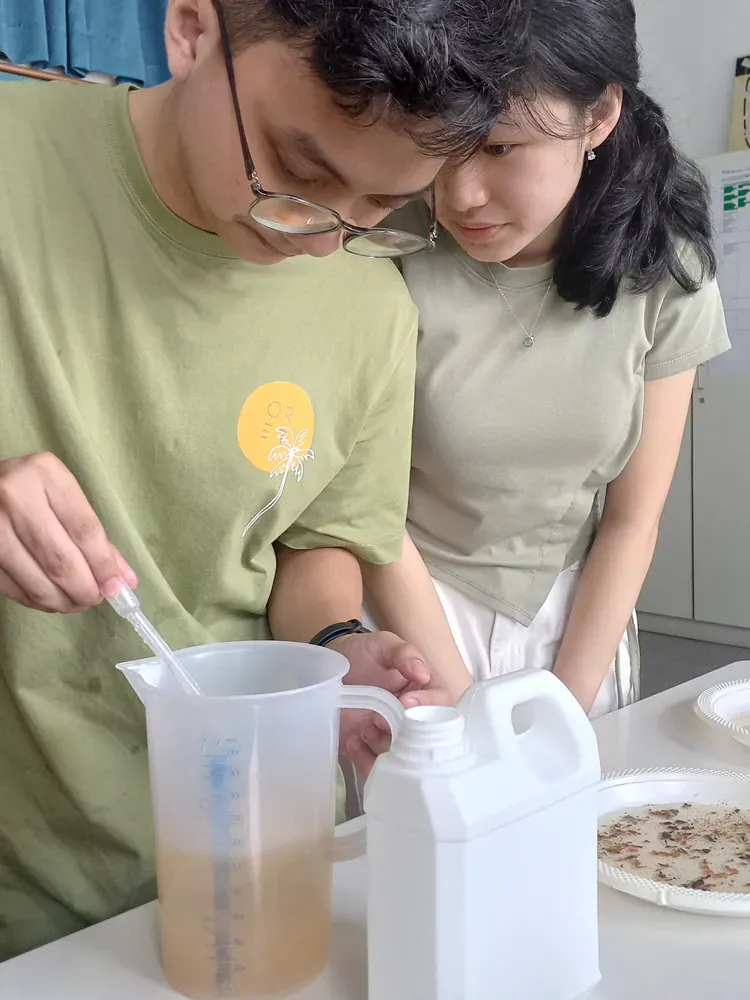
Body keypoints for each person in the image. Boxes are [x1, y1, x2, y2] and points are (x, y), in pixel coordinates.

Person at [0, 0, 520, 959]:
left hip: (258, 861)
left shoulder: (370, 308)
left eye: (382, 209)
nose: (322, 239)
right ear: (193, 27)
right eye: (299, 170)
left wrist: (337, 645)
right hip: (27, 889)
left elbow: (309, 544)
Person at [361, 0, 731, 728]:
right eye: (446, 145)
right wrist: (463, 707)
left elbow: (632, 521)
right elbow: (368, 514)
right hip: (412, 613)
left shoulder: (663, 270)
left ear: (598, 118)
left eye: (500, 149)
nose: (460, 195)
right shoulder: (383, 246)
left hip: (576, 616)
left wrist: (566, 702)